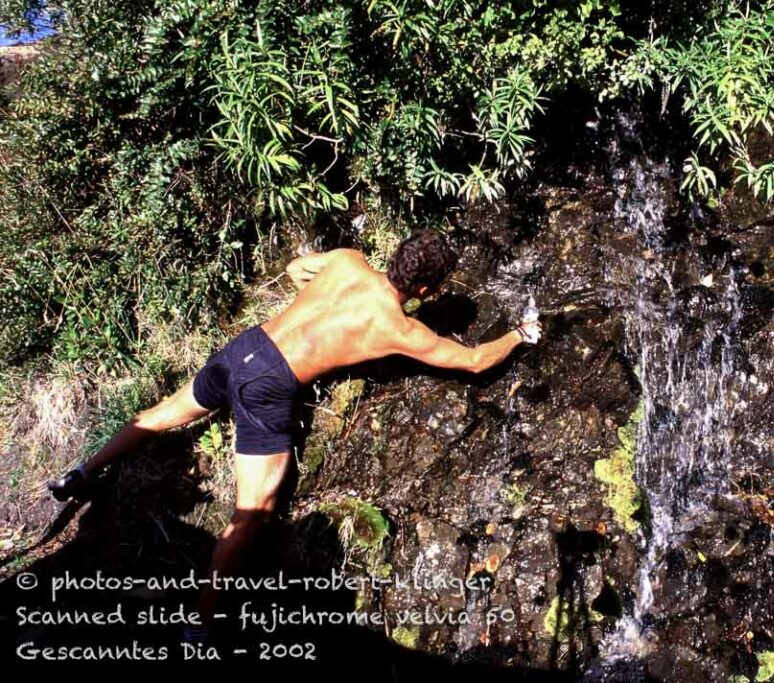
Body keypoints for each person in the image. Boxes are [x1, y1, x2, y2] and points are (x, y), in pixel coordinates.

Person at [46, 229, 542, 623]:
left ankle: (82, 474)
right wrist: (519, 334)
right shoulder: (398, 328)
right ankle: (202, 621)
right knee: (255, 509)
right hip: (269, 384)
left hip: (245, 348)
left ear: (397, 254)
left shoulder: (348, 260)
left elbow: (294, 268)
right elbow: (475, 362)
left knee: (160, 415)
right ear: (427, 290)